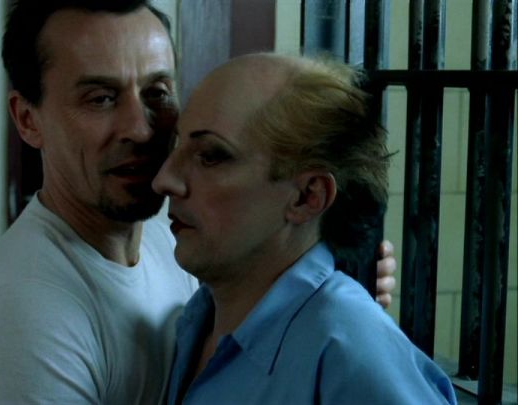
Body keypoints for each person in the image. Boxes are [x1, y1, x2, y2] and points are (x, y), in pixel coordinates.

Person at [0, 2, 396, 403]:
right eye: (100, 98)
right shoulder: (20, 321)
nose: (140, 128)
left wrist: (317, 296)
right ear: (27, 119)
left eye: (156, 93)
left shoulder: (173, 234)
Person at [153, 53, 456, 404]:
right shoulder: (193, 322)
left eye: (211, 155)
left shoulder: (350, 353)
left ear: (307, 196)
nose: (164, 179)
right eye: (177, 144)